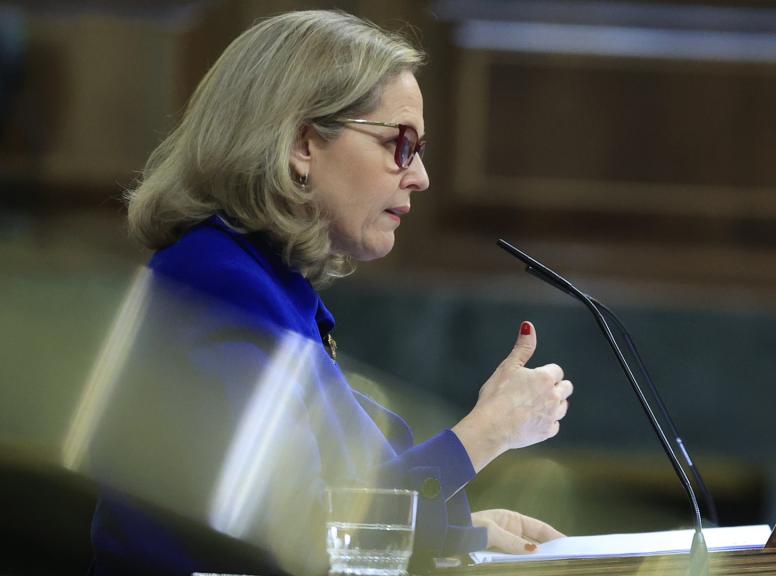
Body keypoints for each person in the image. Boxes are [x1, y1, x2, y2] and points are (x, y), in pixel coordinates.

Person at [86, 9, 573, 575]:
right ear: (301, 143)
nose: (420, 176)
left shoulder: (267, 286)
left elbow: (324, 508)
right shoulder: (215, 284)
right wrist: (486, 432)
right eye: (401, 143)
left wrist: (455, 529)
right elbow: (302, 537)